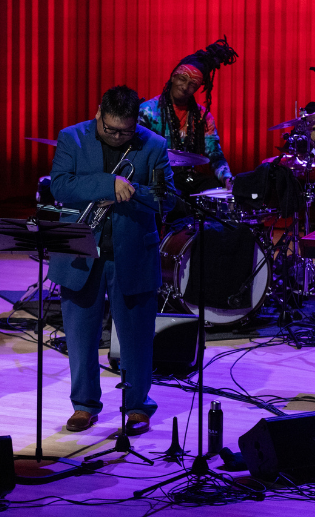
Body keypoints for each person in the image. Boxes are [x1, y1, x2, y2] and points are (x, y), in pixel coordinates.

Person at [49, 85, 175, 436]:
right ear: (98, 114)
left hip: (132, 253)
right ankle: (84, 405)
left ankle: (137, 406)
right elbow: (60, 186)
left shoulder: (154, 144)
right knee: (79, 335)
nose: (119, 137)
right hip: (80, 252)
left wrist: (136, 192)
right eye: (111, 130)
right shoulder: (71, 138)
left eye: (127, 131)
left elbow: (170, 201)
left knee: (135, 337)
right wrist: (109, 184)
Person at [138, 38, 238, 195]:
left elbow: (215, 154)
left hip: (189, 178)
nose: (185, 87)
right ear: (173, 76)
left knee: (218, 192)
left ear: (199, 87)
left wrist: (227, 179)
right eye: (182, 79)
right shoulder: (147, 111)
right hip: (158, 178)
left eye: (193, 84)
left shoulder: (203, 117)